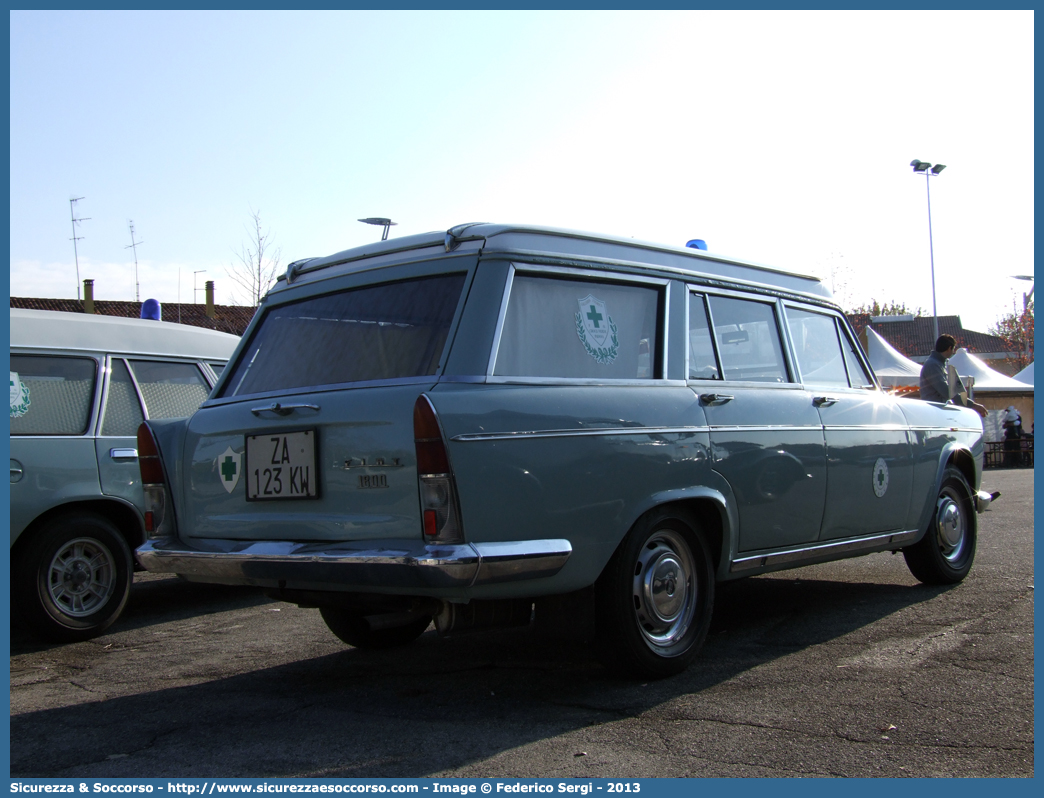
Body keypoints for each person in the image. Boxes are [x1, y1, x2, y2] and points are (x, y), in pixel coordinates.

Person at [919, 334, 988, 417]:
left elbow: (959, 390)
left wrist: (970, 405)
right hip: (934, 413)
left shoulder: (945, 365)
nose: (953, 352)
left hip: (942, 412)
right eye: (953, 349)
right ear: (949, 348)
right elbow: (947, 392)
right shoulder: (933, 365)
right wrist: (972, 405)